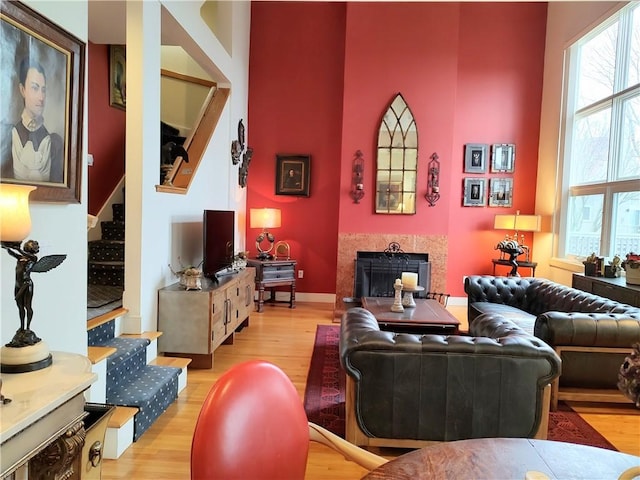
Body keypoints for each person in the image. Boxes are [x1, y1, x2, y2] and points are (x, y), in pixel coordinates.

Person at [11, 58, 63, 182]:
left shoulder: (54, 143)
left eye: (43, 90)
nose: (41, 97)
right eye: (35, 88)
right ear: (22, 90)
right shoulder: (10, 136)